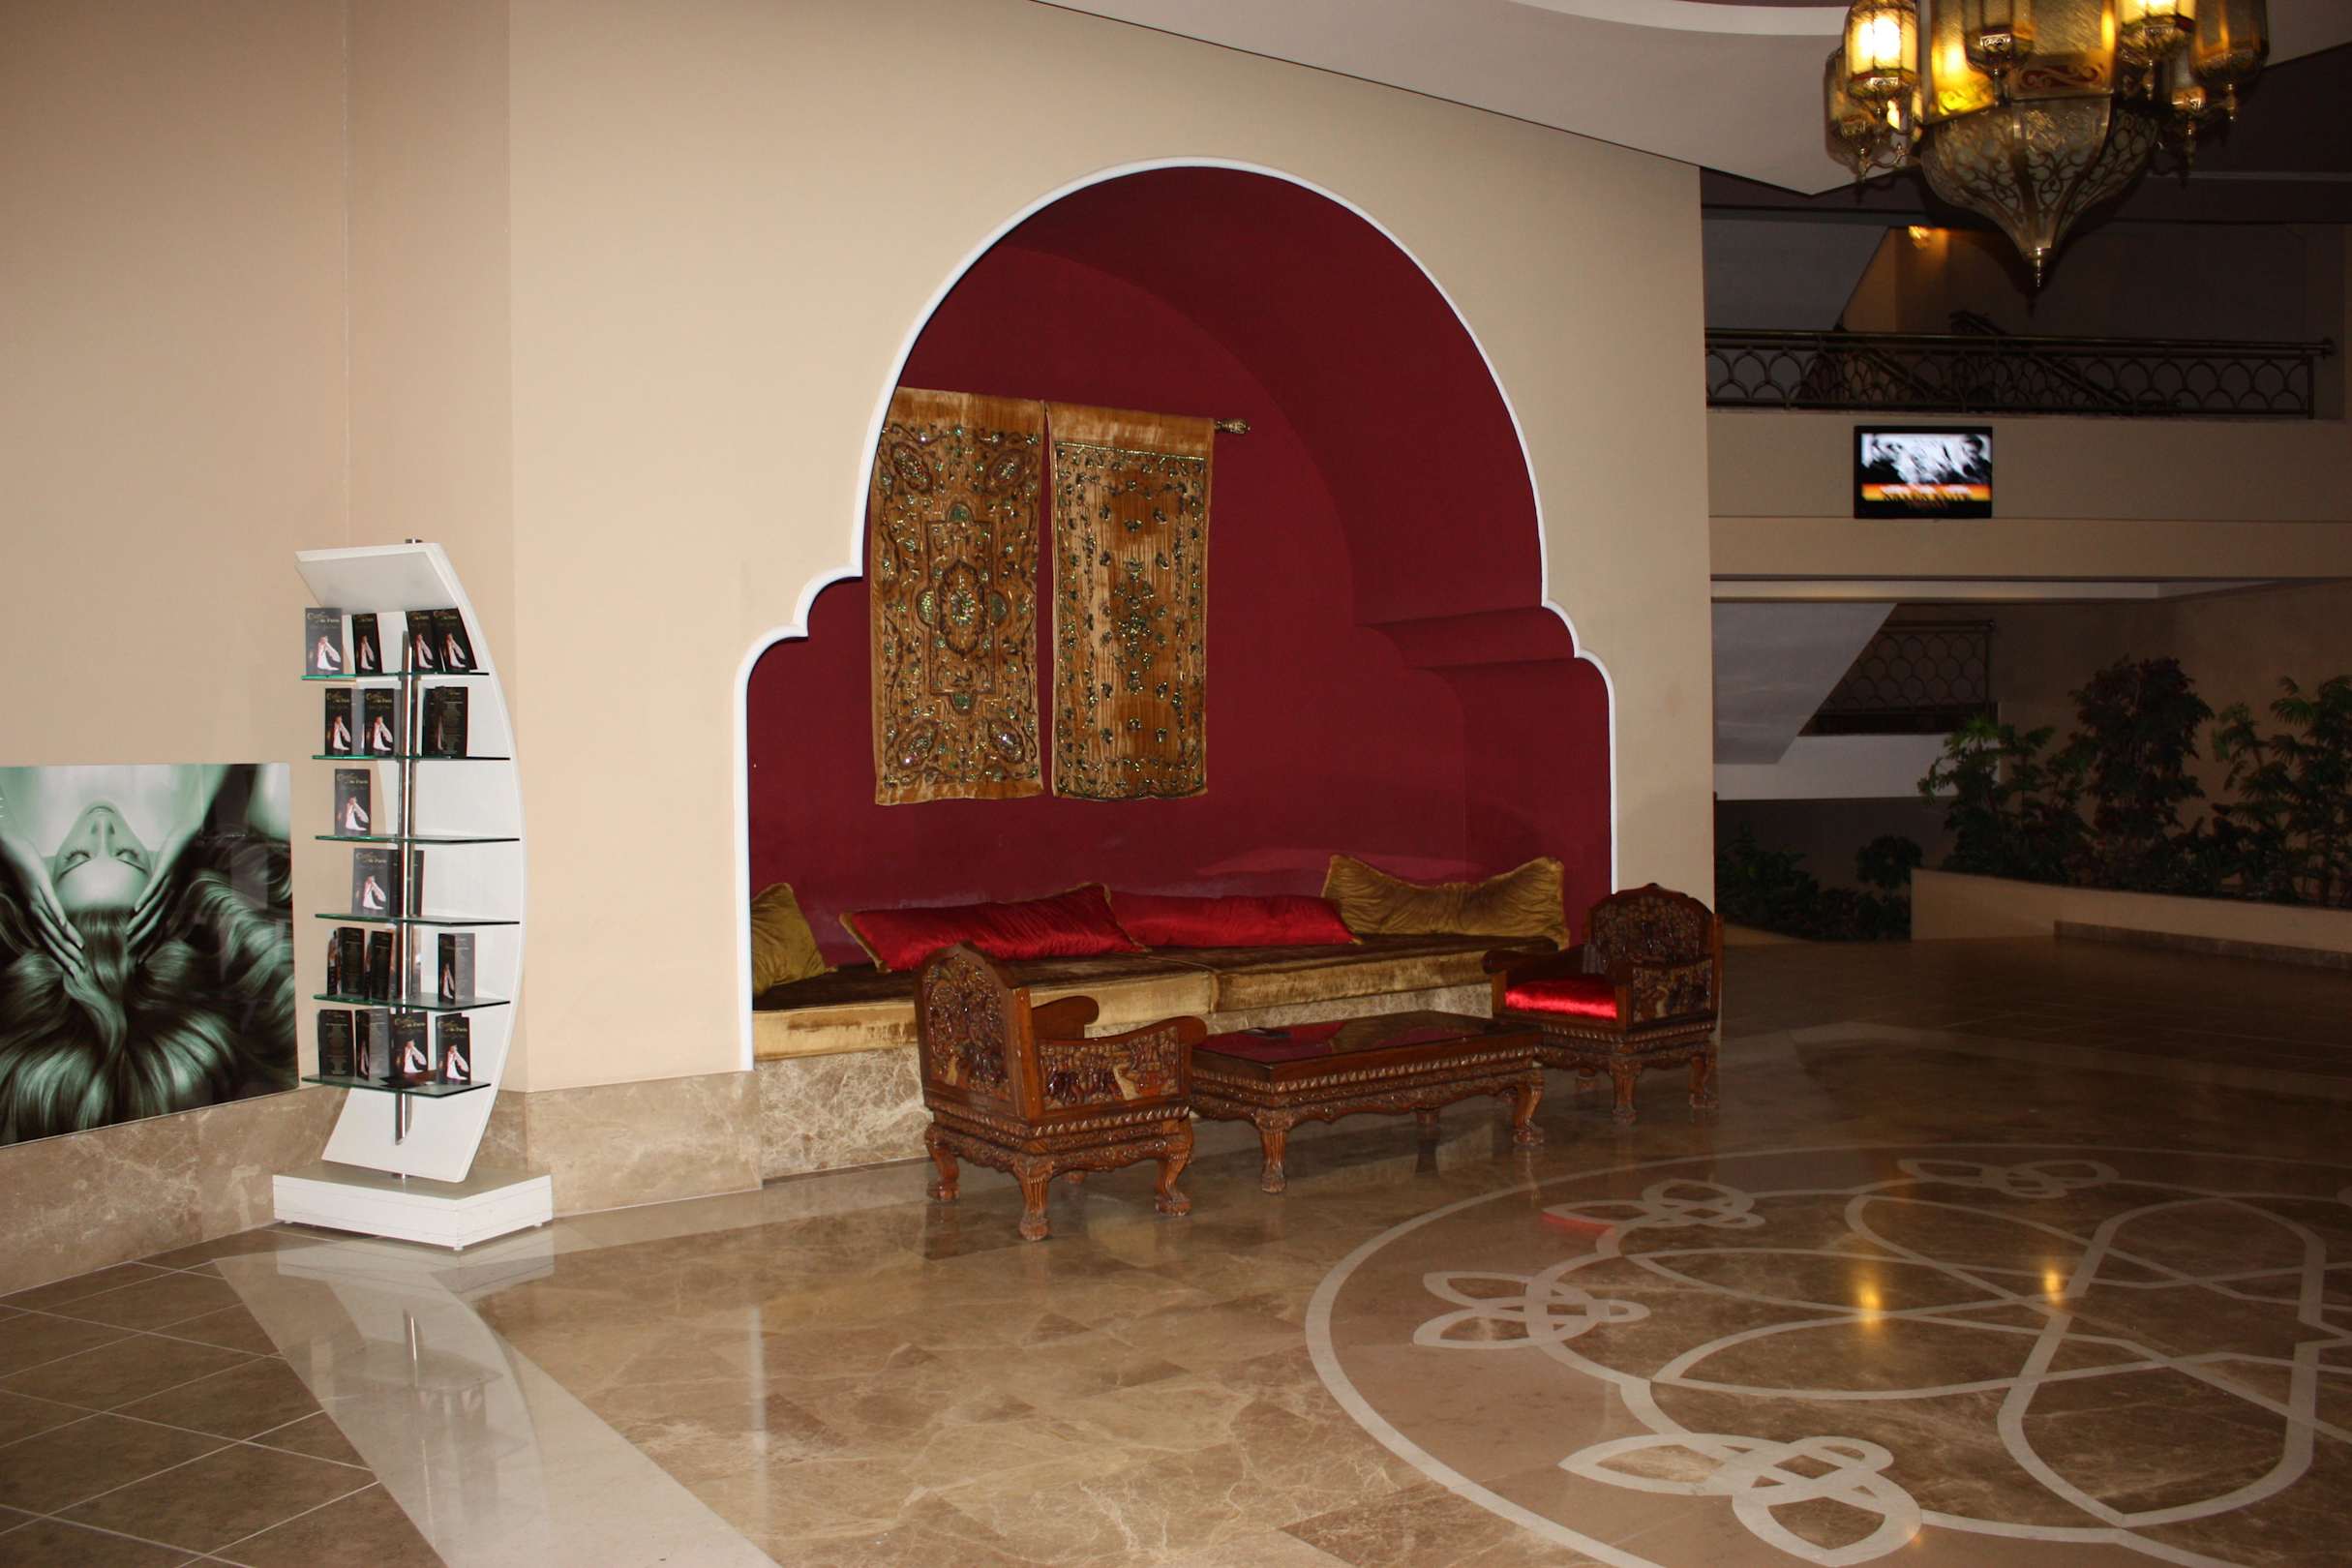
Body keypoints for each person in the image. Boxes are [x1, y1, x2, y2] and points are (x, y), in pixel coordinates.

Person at [0, 764, 294, 1143]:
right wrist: (196, 818)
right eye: (128, 855)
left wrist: (6, 833)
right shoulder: (265, 808)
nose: (102, 825)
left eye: (74, 857)